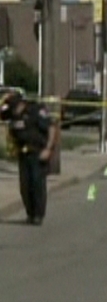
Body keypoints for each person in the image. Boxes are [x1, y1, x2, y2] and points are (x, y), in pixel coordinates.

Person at [0, 92, 57, 225]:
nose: (14, 111)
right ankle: (30, 214)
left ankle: (38, 215)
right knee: (25, 186)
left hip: (37, 152)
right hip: (23, 153)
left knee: (37, 184)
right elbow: (2, 116)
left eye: (15, 107)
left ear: (21, 104)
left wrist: (48, 149)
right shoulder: (12, 113)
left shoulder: (35, 112)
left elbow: (51, 128)